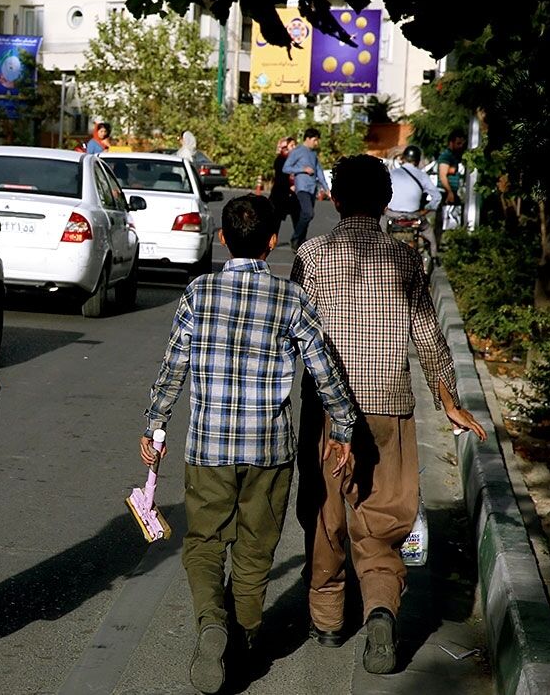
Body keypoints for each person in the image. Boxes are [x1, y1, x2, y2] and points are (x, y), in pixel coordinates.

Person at [142, 195, 358, 694]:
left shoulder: (198, 293)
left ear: (221, 239)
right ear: (272, 242)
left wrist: (154, 425)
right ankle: (242, 640)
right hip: (269, 450)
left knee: (203, 543)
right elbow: (324, 371)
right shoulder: (291, 300)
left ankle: (211, 623)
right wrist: (344, 427)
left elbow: (173, 368)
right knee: (256, 549)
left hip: (209, 447)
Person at [291, 155, 486, 675]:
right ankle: (380, 607)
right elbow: (427, 337)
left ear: (333, 196)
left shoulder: (310, 255)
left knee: (326, 513)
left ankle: (329, 621)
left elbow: (292, 335)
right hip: (389, 408)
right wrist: (449, 404)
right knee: (381, 518)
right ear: (384, 202)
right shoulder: (403, 260)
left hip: (328, 414)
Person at [385, 145, 442, 260]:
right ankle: (434, 257)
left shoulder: (392, 174)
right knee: (430, 236)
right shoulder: (422, 176)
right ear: (417, 160)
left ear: (403, 159)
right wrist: (425, 210)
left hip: (391, 216)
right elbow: (437, 197)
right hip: (414, 217)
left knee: (378, 234)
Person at [282, 128, 329, 248]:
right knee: (308, 213)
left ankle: (301, 240)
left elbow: (319, 172)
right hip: (302, 187)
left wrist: (327, 189)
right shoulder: (298, 151)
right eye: (315, 140)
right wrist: (302, 170)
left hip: (312, 188)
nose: (316, 143)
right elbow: (286, 168)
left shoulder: (313, 154)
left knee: (306, 215)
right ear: (307, 139)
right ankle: (296, 237)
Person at [435, 129, 467, 244]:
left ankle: (452, 243)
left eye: (462, 143)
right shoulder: (446, 156)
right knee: (442, 220)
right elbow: (443, 176)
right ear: (451, 143)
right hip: (445, 192)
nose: (460, 146)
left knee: (453, 218)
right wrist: (449, 192)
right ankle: (437, 246)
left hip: (452, 191)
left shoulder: (455, 156)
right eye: (458, 143)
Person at [268, 136, 299, 230]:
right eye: (291, 145)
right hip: (280, 194)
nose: (294, 147)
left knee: (298, 218)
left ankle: (298, 240)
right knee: (275, 219)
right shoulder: (280, 159)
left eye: (295, 145)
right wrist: (290, 186)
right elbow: (280, 178)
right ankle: (271, 240)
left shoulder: (297, 159)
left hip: (294, 194)